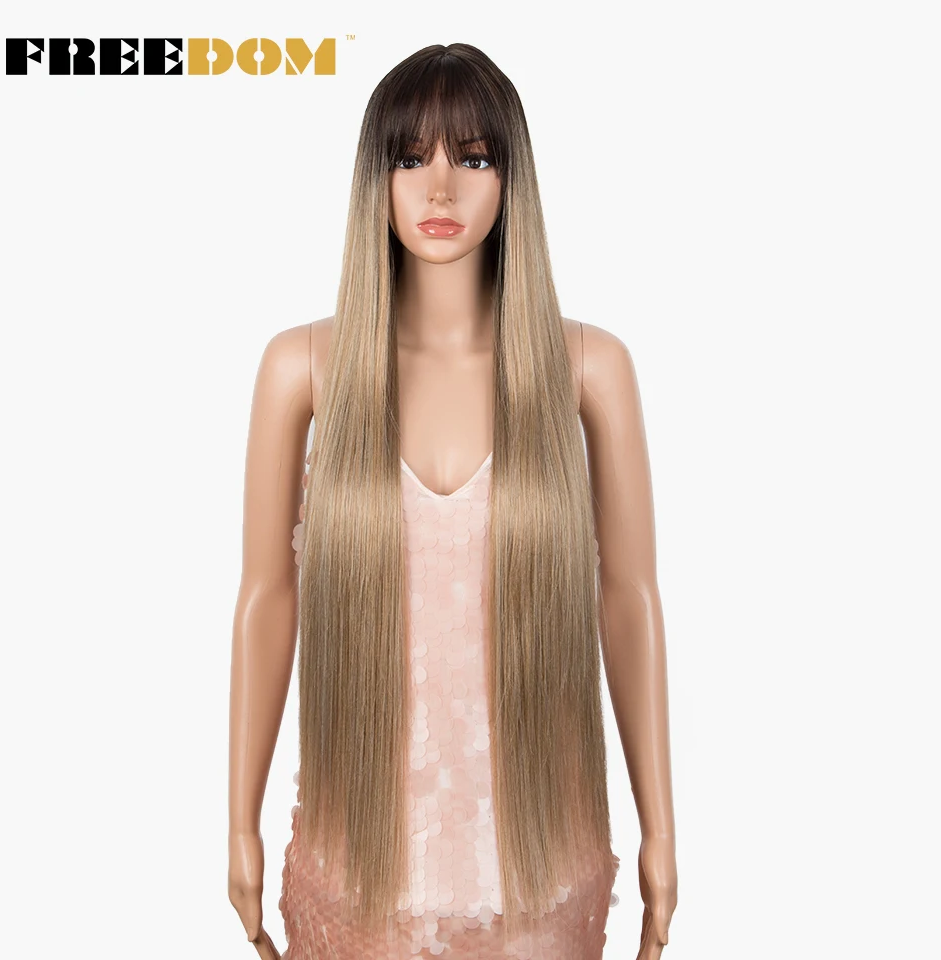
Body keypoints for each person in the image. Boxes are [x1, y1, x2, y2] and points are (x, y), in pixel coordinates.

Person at [228, 42, 677, 960]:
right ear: (376, 179)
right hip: (356, 884)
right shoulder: (302, 370)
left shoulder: (589, 370)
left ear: (512, 179)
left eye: (472, 158)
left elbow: (629, 600)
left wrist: (660, 828)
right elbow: (266, 598)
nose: (439, 188)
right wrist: (239, 819)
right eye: (409, 157)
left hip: (541, 882)